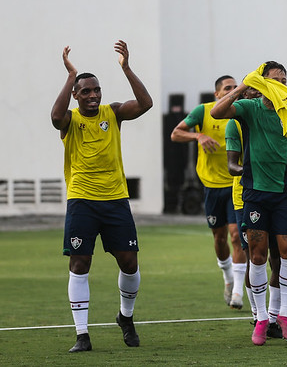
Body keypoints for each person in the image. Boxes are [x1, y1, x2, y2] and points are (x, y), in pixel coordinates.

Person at [51, 41, 153, 352]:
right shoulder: (70, 120)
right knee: (80, 264)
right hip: (82, 200)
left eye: (96, 90)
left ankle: (126, 317)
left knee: (129, 263)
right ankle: (82, 334)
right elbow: (55, 118)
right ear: (76, 95)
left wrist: (126, 68)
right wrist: (71, 75)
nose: (93, 95)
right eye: (86, 91)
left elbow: (146, 103)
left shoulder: (115, 112)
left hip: (115, 199)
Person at [211, 61, 287, 345]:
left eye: (284, 80)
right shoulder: (249, 109)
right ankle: (259, 318)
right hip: (255, 194)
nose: (280, 84)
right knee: (257, 256)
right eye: (274, 80)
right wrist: (246, 84)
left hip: (284, 194)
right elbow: (216, 111)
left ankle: (282, 314)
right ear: (262, 82)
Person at [170, 75, 247, 309]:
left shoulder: (241, 111)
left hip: (236, 184)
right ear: (217, 94)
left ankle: (237, 292)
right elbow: (175, 133)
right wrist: (198, 135)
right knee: (219, 237)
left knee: (236, 236)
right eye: (227, 88)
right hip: (211, 186)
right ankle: (227, 277)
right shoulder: (203, 112)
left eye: (236, 87)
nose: (233, 90)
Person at [225, 85, 263, 324]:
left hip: (279, 195)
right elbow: (232, 166)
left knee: (283, 254)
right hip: (247, 197)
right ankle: (258, 313)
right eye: (254, 91)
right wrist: (253, 171)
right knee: (255, 256)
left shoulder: (278, 116)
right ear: (244, 97)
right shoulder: (236, 123)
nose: (259, 93)